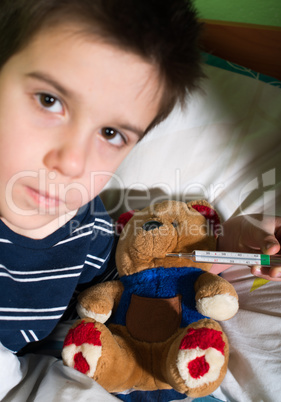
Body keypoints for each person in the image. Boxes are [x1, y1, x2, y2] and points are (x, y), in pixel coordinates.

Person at [0, 0, 280, 400]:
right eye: (49, 100)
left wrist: (223, 244)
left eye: (111, 133)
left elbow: (135, 276)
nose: (72, 161)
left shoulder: (85, 223)